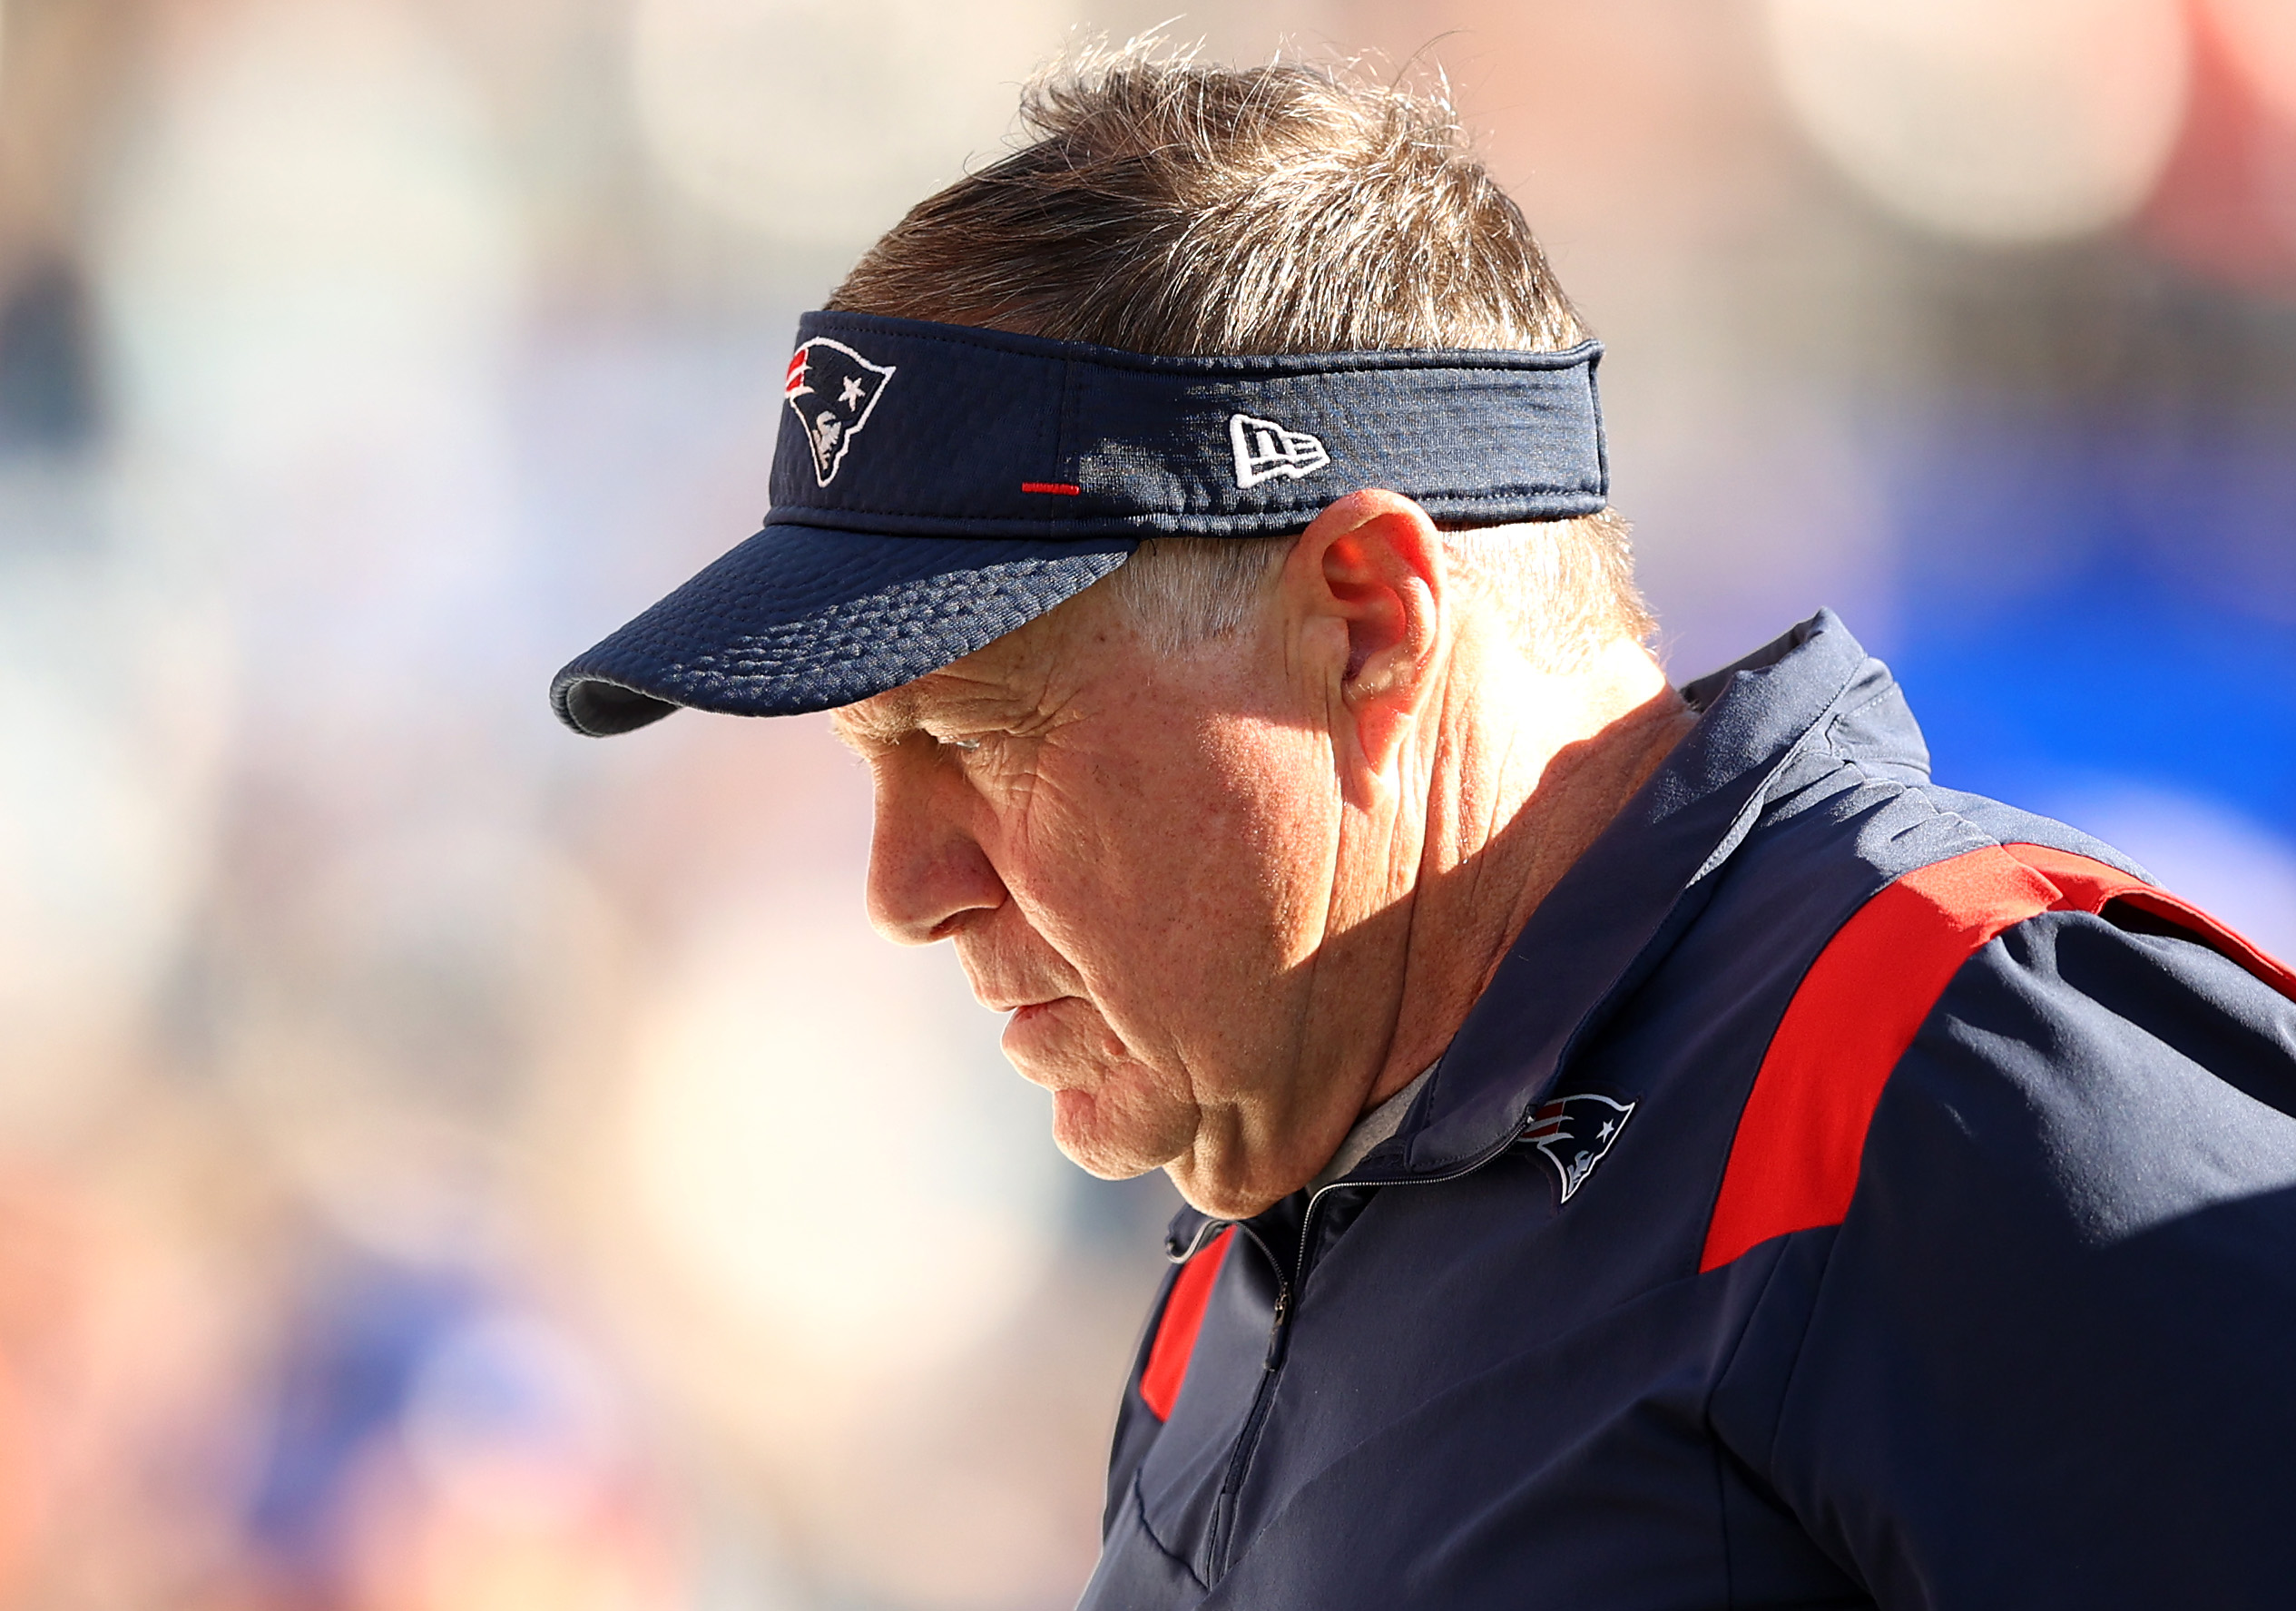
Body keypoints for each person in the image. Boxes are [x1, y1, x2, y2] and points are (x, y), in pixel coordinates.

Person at [552, 51, 2296, 1610]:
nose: (899, 891)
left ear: (1375, 616)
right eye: (869, 755)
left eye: (975, 730)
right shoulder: (1250, 1228)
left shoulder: (1947, 1067)